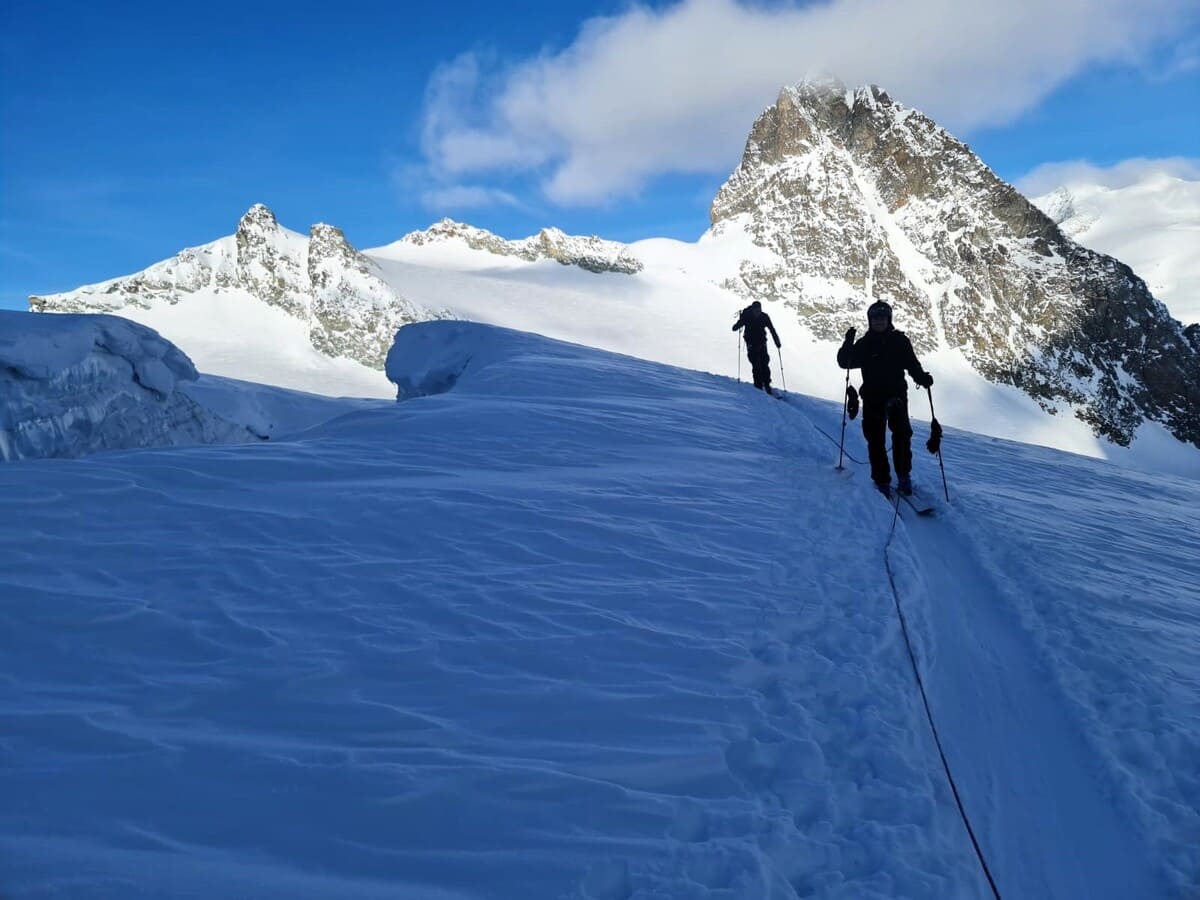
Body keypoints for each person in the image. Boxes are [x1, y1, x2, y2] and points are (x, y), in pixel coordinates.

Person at [836, 300, 933, 496]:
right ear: (870, 320)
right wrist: (848, 342)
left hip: (896, 396)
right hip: (873, 397)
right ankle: (882, 480)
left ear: (889, 319)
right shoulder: (864, 344)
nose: (879, 321)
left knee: (902, 437)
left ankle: (903, 476)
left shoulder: (900, 341)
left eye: (882, 318)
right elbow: (844, 362)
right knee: (876, 440)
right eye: (875, 318)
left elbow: (912, 364)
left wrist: (922, 378)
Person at [732, 301, 782, 393]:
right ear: (753, 309)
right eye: (756, 310)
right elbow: (738, 325)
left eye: (759, 310)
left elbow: (772, 329)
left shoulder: (764, 317)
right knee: (756, 365)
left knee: (764, 364)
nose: (757, 312)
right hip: (751, 343)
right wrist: (736, 326)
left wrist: (777, 341)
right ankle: (758, 385)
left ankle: (766, 384)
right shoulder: (748, 316)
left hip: (762, 342)